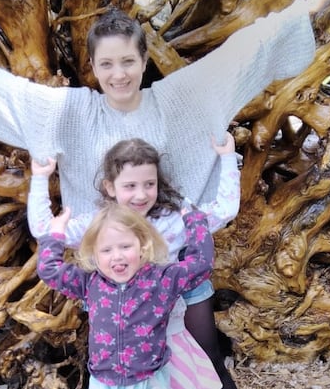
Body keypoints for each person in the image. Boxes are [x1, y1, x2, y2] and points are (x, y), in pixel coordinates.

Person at [0, 0, 330, 388]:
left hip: (176, 256)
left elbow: (241, 54)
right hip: (120, 269)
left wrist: (308, 7)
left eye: (128, 62)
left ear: (143, 61)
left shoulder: (175, 97)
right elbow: (11, 92)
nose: (119, 74)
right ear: (94, 67)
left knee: (205, 357)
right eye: (107, 64)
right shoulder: (76, 110)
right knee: (132, 363)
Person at [28, 134, 237, 388]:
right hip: (122, 335)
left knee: (202, 366)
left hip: (169, 318)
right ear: (110, 187)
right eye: (130, 186)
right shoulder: (99, 225)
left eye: (149, 184)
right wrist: (40, 178)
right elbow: (42, 229)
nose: (141, 194)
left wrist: (227, 157)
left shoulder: (170, 219)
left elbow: (224, 212)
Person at [36, 202, 215, 389]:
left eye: (125, 246)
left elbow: (201, 264)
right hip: (103, 382)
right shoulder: (90, 284)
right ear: (94, 254)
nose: (117, 256)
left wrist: (195, 221)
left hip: (149, 381)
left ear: (143, 246)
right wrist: (55, 233)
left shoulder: (162, 280)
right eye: (106, 250)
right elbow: (49, 270)